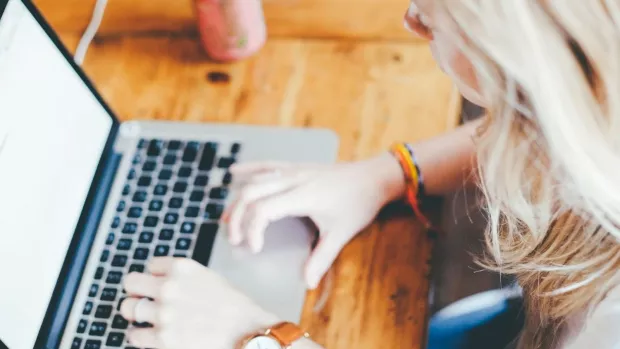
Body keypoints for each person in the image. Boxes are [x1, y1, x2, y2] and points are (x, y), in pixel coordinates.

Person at [118, 0, 620, 348]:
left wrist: (252, 336)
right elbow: (541, 126)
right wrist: (388, 174)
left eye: (433, 21)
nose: (410, 23)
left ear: (517, 61)